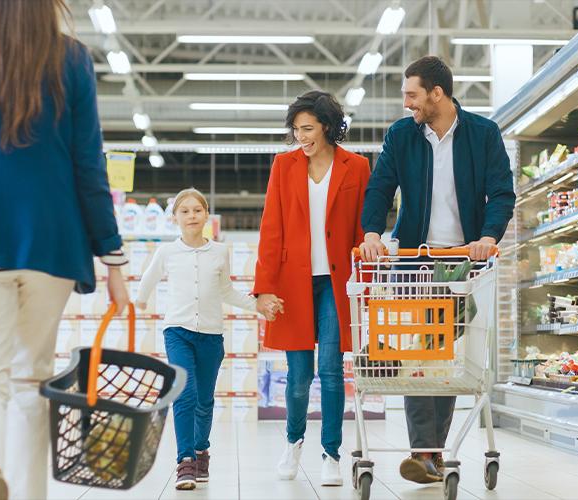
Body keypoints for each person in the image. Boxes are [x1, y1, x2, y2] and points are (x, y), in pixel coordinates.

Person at [0, 1, 130, 499]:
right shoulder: (70, 58)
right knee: (31, 377)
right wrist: (112, 258)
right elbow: (88, 166)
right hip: (51, 240)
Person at [359, 55, 515, 484]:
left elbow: (502, 192)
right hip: (415, 258)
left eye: (412, 94)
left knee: (443, 351)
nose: (406, 103)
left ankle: (429, 452)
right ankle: (425, 451)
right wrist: (372, 232)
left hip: (463, 260)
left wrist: (488, 236)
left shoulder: (483, 134)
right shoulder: (402, 135)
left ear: (437, 93)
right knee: (416, 349)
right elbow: (380, 186)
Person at [254, 91, 370, 486]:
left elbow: (362, 226)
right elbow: (271, 229)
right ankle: (293, 441)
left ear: (326, 125)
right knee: (299, 374)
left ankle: (331, 454)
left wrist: (364, 283)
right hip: (292, 282)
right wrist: (264, 289)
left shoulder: (356, 166)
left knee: (332, 370)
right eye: (296, 130)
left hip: (338, 283)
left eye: (308, 128)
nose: (301, 137)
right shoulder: (283, 166)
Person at [136, 188, 275, 490]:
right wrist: (139, 301)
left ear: (206, 216)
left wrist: (257, 304)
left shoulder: (219, 252)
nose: (191, 216)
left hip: (211, 335)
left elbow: (226, 290)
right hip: (177, 332)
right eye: (184, 211)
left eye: (197, 210)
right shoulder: (167, 252)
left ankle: (201, 452)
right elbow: (147, 279)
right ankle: (185, 461)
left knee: (204, 400)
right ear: (175, 218)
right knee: (185, 393)